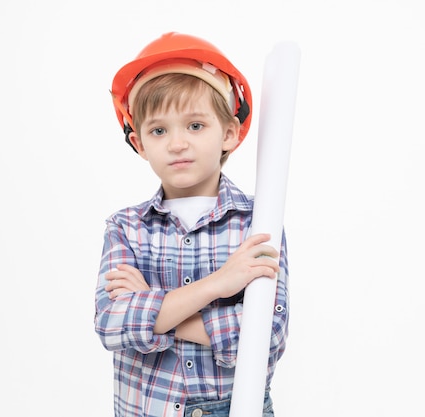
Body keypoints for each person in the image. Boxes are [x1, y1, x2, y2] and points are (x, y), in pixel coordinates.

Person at [94, 32, 289, 417]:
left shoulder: (259, 221)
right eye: (159, 130)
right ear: (139, 143)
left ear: (229, 134)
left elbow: (266, 336)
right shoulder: (126, 227)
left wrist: (154, 306)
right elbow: (112, 324)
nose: (177, 143)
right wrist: (220, 284)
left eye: (195, 126)